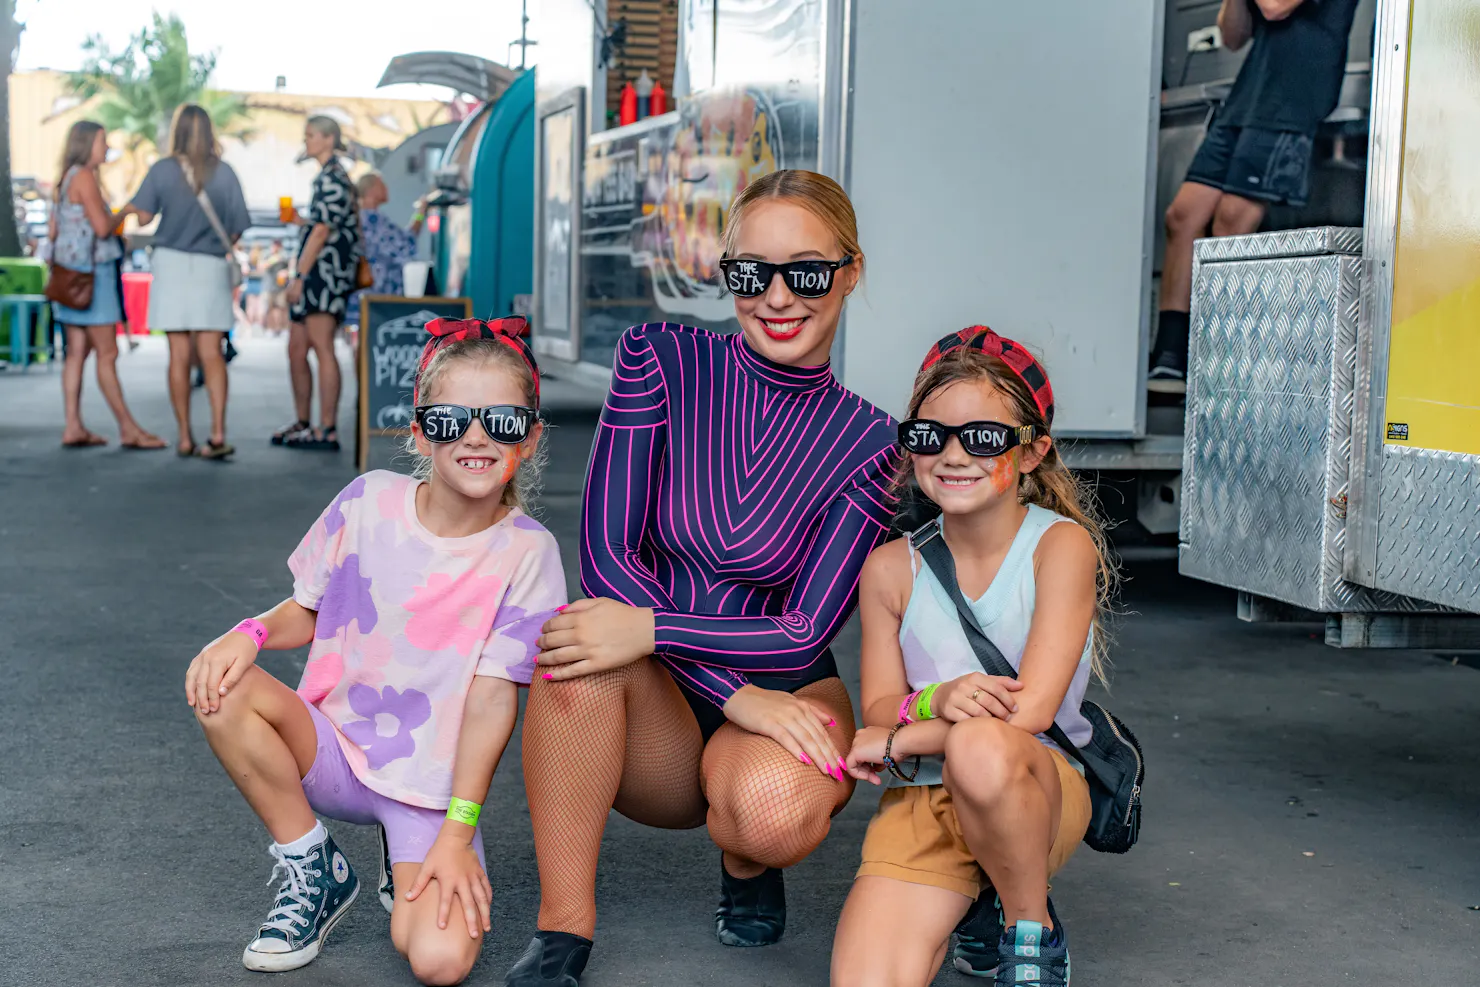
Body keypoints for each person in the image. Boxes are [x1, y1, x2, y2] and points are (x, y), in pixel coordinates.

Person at [510, 170, 899, 986]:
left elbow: (802, 629)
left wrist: (668, 639)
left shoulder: (874, 445)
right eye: (751, 272)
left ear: (851, 271)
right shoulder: (659, 358)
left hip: (783, 688)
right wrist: (723, 685)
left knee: (773, 815)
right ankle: (561, 933)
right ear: (727, 275)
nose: (778, 297)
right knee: (574, 650)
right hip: (658, 700)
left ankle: (748, 862)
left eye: (807, 272)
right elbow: (608, 557)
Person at [184, 317, 564, 981]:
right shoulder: (367, 501)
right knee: (224, 686)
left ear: (529, 439)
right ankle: (314, 867)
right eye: (450, 419)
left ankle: (403, 848)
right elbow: (306, 609)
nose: (476, 437)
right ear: (418, 432)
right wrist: (248, 632)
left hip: (428, 792)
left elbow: (491, 701)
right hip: (330, 747)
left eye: (501, 421)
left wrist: (457, 832)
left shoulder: (529, 553)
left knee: (440, 962)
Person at [831, 328, 1115, 987]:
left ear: (1033, 449)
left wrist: (902, 738)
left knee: (980, 747)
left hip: (1031, 784)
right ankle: (979, 902)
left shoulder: (1060, 547)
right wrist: (939, 696)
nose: (953, 455)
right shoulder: (889, 569)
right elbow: (881, 705)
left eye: (984, 437)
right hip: (924, 800)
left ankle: (1027, 924)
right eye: (930, 436)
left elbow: (1029, 711)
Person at [1149, 0, 1361, 392]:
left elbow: (1276, 6)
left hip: (1292, 100)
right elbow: (1233, 36)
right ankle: (1170, 357)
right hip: (1247, 99)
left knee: (1231, 223)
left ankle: (1213, 360)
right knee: (1182, 216)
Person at [127, 104, 250, 459]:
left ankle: (184, 436)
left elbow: (145, 216)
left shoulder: (162, 169)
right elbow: (238, 226)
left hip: (170, 265)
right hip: (211, 266)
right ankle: (217, 433)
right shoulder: (225, 172)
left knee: (178, 354)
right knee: (212, 353)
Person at [48, 120, 165, 450]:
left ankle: (73, 426)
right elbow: (101, 228)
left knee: (76, 353)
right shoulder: (85, 177)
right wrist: (125, 211)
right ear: (87, 144)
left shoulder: (65, 178)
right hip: (93, 276)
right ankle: (128, 428)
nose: (107, 147)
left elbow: (55, 231)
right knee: (107, 353)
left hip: (67, 277)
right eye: (102, 141)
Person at [275, 116, 361, 451]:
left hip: (325, 275)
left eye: (311, 135)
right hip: (318, 272)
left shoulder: (333, 177)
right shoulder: (329, 177)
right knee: (297, 347)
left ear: (328, 139)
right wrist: (303, 222)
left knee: (322, 345)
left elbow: (323, 231)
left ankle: (326, 428)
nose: (306, 141)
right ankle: (304, 422)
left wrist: (298, 275)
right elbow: (323, 224)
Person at [350, 171, 425, 311]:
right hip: (379, 302)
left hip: (361, 300)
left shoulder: (356, 217)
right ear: (371, 190)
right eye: (382, 185)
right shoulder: (374, 220)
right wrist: (421, 213)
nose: (386, 189)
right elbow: (407, 241)